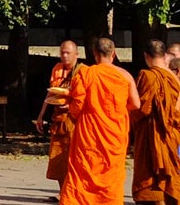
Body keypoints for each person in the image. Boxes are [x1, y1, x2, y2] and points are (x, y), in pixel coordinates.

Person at [62, 36, 140, 205]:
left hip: (88, 133)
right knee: (111, 172)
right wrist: (116, 110)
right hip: (114, 133)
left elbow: (77, 106)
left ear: (95, 54)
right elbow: (136, 103)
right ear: (114, 54)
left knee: (83, 170)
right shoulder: (125, 75)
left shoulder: (86, 73)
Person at [133, 38, 180, 205]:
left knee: (150, 181)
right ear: (164, 55)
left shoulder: (147, 76)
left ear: (146, 56)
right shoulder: (174, 77)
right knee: (168, 178)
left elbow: (142, 109)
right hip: (170, 135)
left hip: (151, 136)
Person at [35, 39, 82, 199]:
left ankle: (73, 193)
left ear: (77, 54)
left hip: (75, 120)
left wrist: (70, 107)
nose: (64, 56)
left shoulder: (83, 72)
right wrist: (41, 115)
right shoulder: (57, 69)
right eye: (62, 52)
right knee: (58, 159)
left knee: (73, 159)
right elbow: (50, 93)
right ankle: (63, 192)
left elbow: (86, 98)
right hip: (58, 119)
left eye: (68, 53)